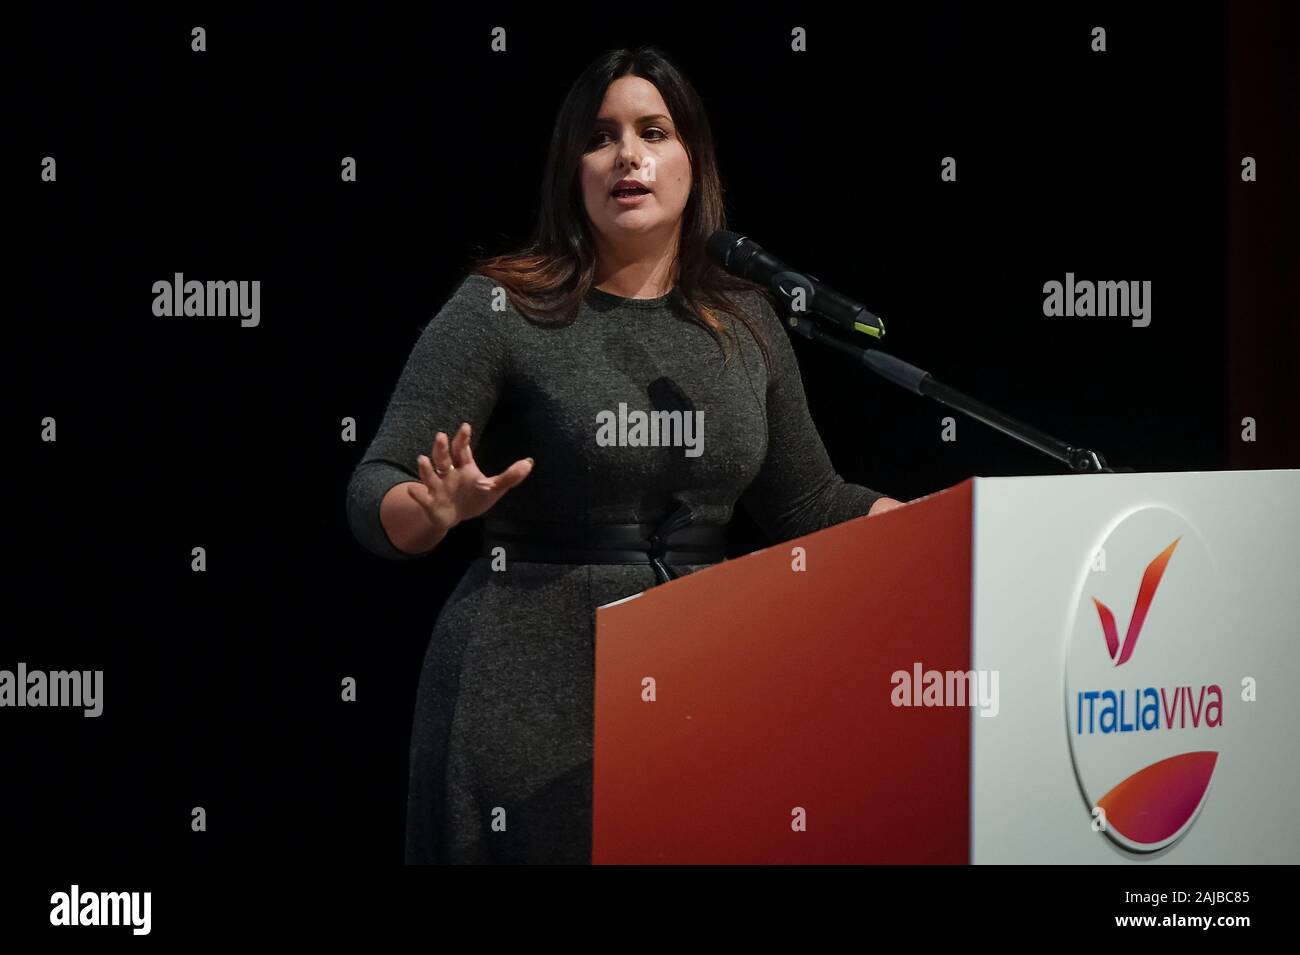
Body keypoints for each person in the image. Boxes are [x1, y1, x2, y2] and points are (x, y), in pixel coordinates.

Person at [345, 45, 904, 864]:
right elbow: (375, 487)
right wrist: (428, 514)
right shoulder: (502, 306)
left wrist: (953, 526)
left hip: (702, 678)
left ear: (693, 161)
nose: (628, 156)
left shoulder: (746, 321)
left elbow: (808, 505)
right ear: (572, 167)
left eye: (654, 131)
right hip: (525, 694)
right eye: (601, 137)